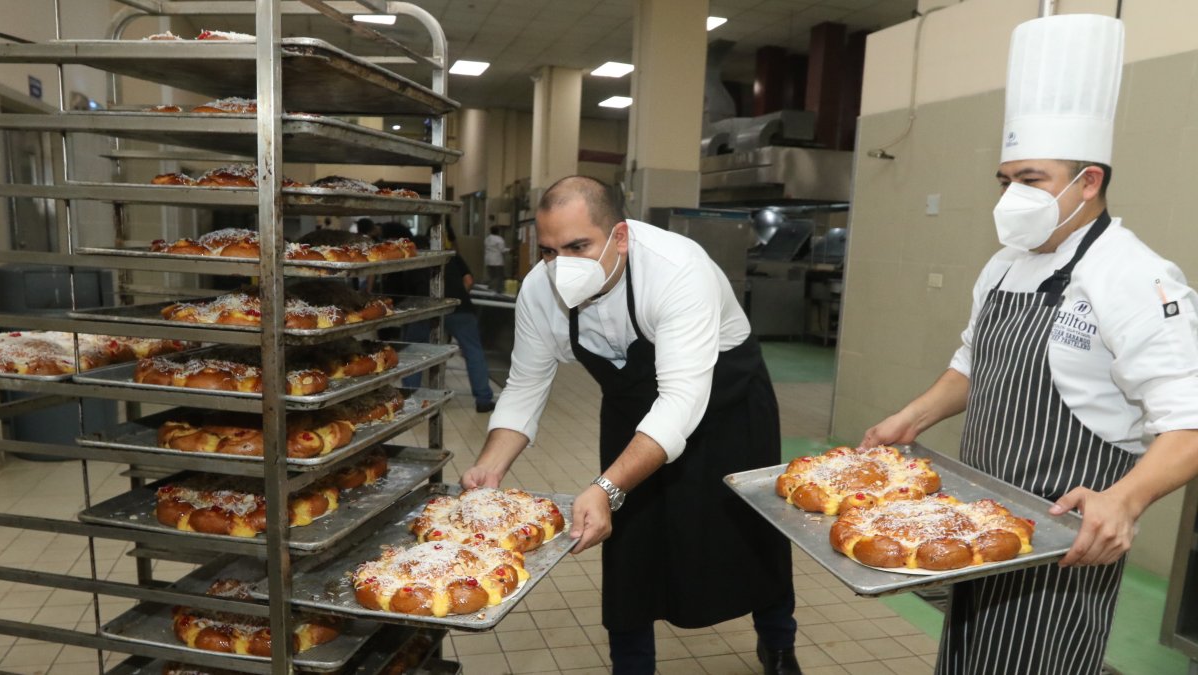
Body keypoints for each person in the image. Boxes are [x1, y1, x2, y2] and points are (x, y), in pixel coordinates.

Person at [862, 15, 1198, 674]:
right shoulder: (1005, 265)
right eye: (1005, 179)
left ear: (1089, 181)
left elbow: (1189, 421)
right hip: (980, 518)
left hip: (1062, 540)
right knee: (969, 656)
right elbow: (973, 364)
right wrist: (911, 417)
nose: (1013, 196)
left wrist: (1124, 500)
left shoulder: (1135, 274)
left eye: (1032, 179)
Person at [461, 176, 801, 675]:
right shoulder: (539, 290)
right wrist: (491, 466)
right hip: (632, 411)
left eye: (579, 246)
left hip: (725, 406)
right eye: (550, 250)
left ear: (619, 236)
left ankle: (778, 645)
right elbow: (525, 386)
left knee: (751, 532)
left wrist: (606, 486)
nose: (561, 265)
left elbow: (681, 400)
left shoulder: (677, 269)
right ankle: (632, 666)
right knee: (629, 548)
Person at [400, 227, 496, 413]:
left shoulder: (412, 260)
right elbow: (468, 281)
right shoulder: (451, 256)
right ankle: (483, 399)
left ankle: (411, 399)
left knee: (413, 353)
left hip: (425, 309)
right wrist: (456, 296)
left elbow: (408, 292)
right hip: (459, 308)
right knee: (473, 351)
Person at [484, 225, 509, 291]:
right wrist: (510, 250)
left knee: (491, 276)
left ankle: (490, 288)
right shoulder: (499, 239)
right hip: (497, 261)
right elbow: (502, 250)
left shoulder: (487, 239)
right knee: (498, 276)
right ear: (498, 231)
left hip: (488, 260)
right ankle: (498, 290)